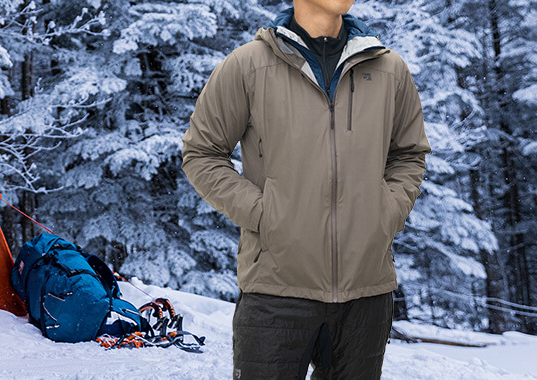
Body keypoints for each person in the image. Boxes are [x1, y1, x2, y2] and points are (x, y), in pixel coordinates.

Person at [181, 0, 431, 378]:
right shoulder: (249, 65)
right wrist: (264, 213)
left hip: (366, 292)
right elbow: (202, 153)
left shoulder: (388, 68)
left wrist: (386, 212)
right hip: (275, 290)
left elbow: (409, 155)